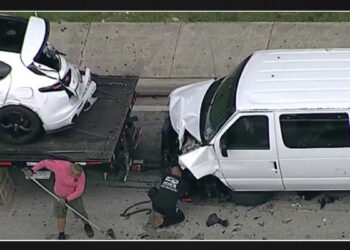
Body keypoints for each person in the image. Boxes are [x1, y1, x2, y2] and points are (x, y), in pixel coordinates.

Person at [23, 159, 94, 240]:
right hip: (59, 196)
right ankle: (61, 234)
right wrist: (33, 170)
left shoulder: (81, 175)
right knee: (61, 215)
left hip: (73, 196)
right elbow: (45, 163)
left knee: (81, 212)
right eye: (75, 175)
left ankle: (86, 225)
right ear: (70, 171)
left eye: (78, 175)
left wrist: (67, 199)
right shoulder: (60, 166)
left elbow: (79, 191)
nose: (77, 177)